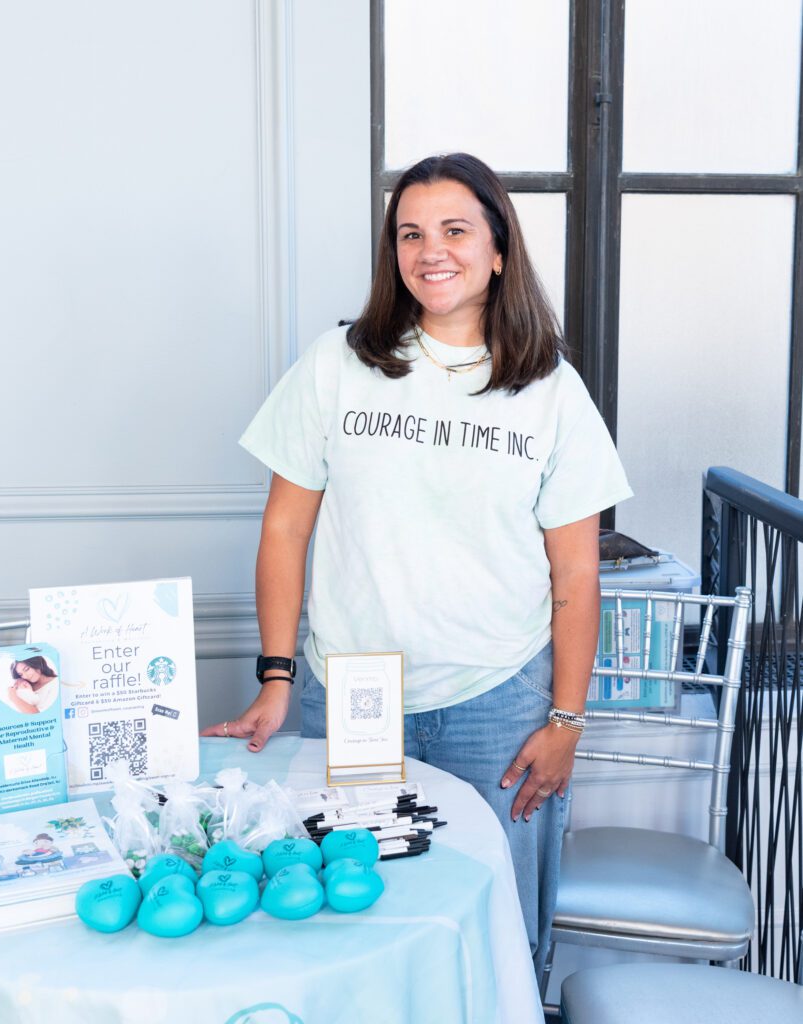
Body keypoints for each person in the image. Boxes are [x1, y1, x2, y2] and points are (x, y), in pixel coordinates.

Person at [202, 152, 632, 977]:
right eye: (410, 233)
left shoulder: (550, 390)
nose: (430, 249)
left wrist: (565, 724)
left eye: (454, 229)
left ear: (499, 249)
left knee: (494, 932)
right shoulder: (337, 364)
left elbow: (577, 577)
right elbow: (285, 529)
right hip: (352, 692)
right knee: (357, 928)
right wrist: (277, 677)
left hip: (498, 703)